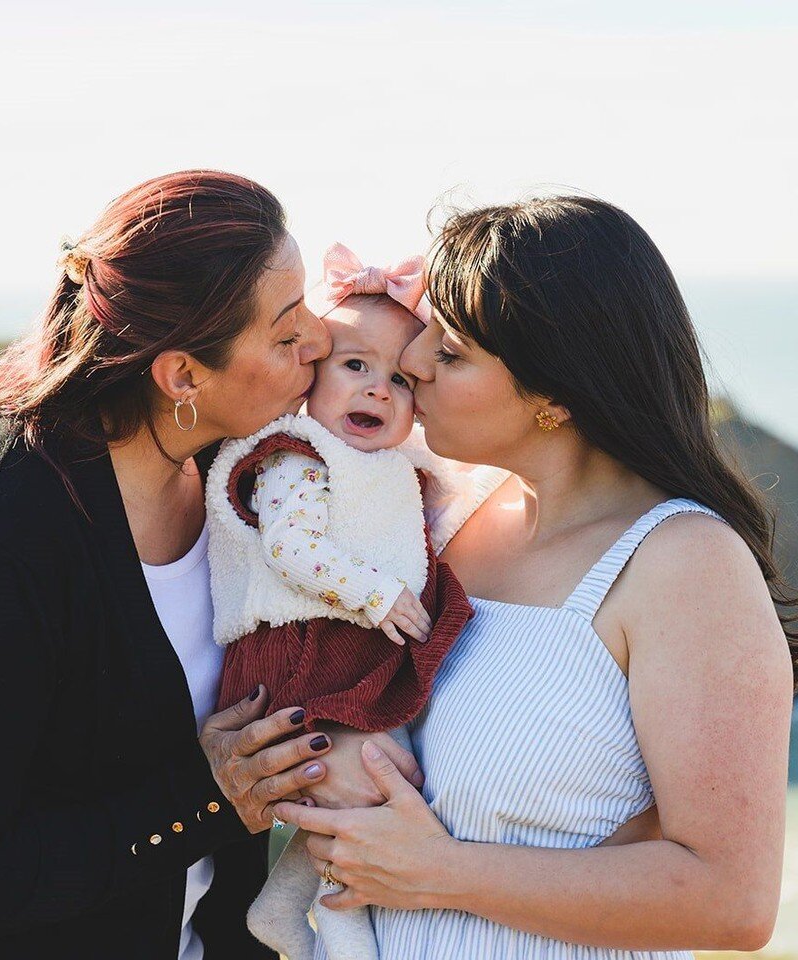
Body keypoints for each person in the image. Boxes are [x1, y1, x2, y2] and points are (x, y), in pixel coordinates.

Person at [0, 170, 422, 959]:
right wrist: (207, 798)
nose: (320, 343)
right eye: (287, 331)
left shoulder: (232, 465)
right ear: (183, 376)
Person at [274, 195, 798, 958]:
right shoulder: (439, 517)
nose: (411, 360)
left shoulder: (683, 565)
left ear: (555, 397)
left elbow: (731, 901)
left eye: (452, 351)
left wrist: (442, 873)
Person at [204, 243, 501, 960]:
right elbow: (289, 547)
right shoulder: (295, 457)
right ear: (312, 374)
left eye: (401, 380)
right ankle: (338, 932)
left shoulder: (387, 467)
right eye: (355, 366)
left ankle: (288, 907)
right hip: (301, 655)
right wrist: (378, 596)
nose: (376, 391)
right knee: (375, 789)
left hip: (343, 657)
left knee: (376, 787)